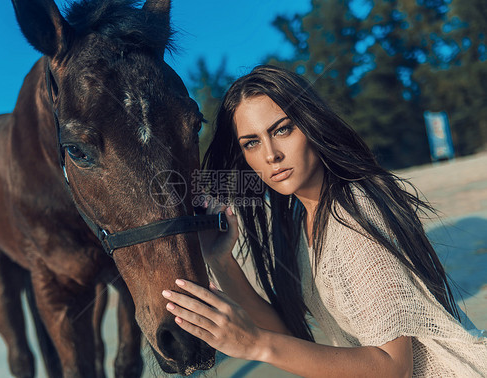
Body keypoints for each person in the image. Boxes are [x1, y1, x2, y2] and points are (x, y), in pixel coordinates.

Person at [160, 65, 487, 377]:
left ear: (312, 125)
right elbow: (290, 338)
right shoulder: (304, 219)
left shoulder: (353, 214)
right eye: (252, 142)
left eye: (282, 129)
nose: (271, 154)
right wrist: (220, 261)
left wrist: (257, 345)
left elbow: (393, 367)